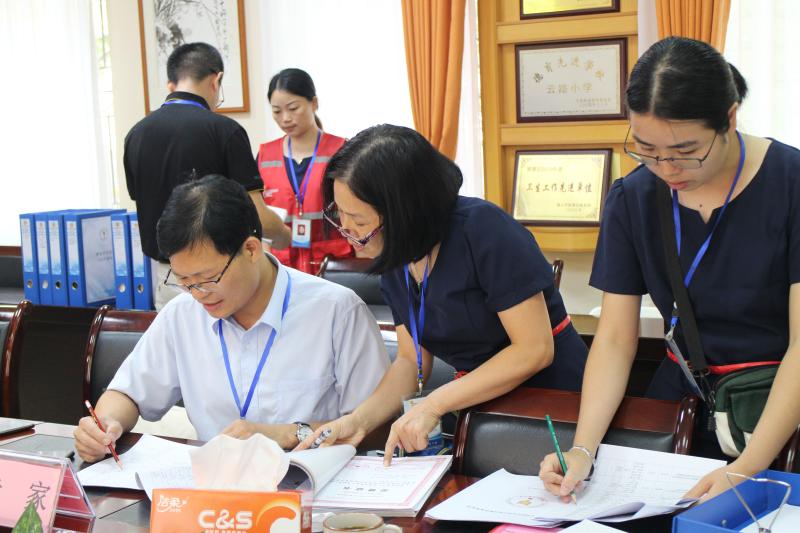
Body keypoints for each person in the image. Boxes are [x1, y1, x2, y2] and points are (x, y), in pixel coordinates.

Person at [539, 36, 800, 502]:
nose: (666, 168)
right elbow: (615, 340)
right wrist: (582, 448)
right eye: (646, 149)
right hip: (683, 406)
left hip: (778, 410)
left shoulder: (791, 184)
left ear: (729, 119)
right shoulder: (633, 198)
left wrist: (747, 466)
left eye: (685, 150)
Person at [295, 124, 588, 459]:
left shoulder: (485, 230)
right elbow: (410, 361)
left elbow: (533, 349)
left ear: (405, 213)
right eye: (339, 214)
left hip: (553, 403)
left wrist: (435, 403)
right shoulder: (396, 255)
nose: (346, 230)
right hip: (479, 408)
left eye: (359, 222)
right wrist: (358, 420)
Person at [74, 175, 389, 462]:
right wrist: (105, 425)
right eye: (184, 281)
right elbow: (127, 393)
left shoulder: (336, 312)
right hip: (215, 491)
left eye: (208, 279)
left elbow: (376, 429)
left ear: (251, 249)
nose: (198, 294)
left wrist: (284, 434)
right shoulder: (182, 315)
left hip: (311, 486)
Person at [124, 42, 290, 310]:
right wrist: (283, 234)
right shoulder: (225, 131)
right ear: (216, 80)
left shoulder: (135, 134)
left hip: (168, 278)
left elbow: (142, 201)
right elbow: (257, 215)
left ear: (172, 83)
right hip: (220, 280)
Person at [257, 68, 352, 274]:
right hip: (283, 267)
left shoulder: (342, 150)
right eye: (277, 111)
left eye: (293, 108)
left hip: (333, 266)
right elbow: (261, 215)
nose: (285, 118)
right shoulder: (265, 155)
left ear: (314, 103)